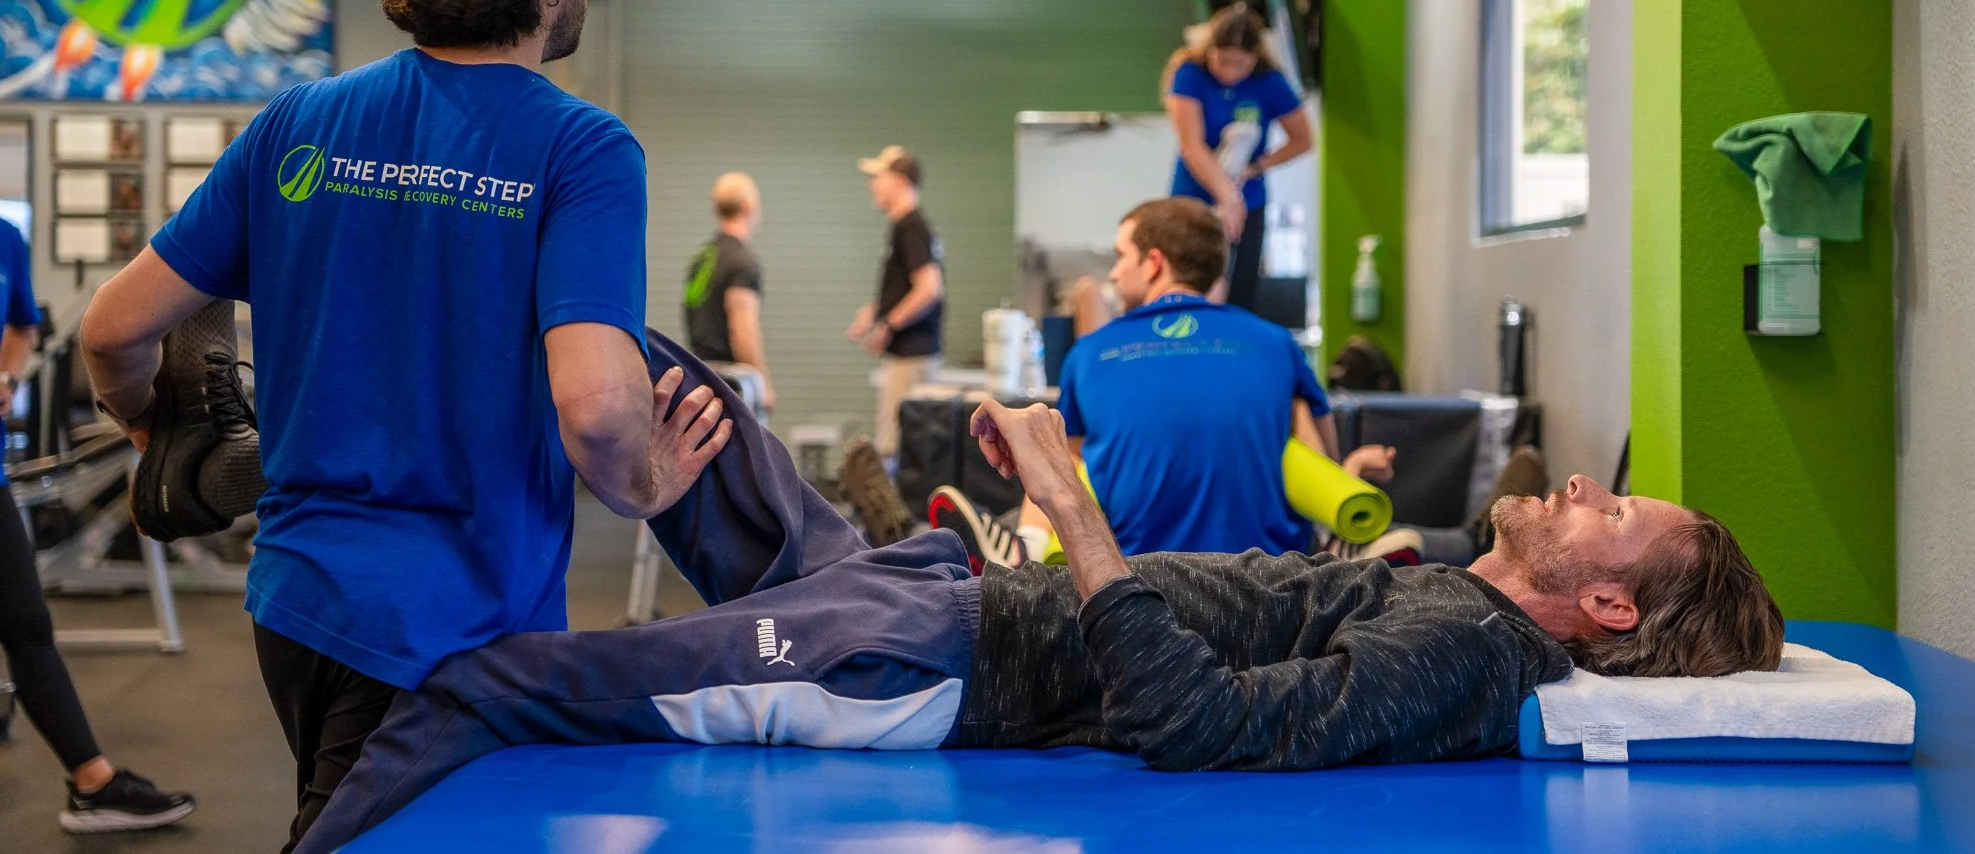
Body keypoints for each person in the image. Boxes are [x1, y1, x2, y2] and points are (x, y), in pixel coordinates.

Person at [289, 340, 1785, 854]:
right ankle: (660, 477)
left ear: (1602, 610)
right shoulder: (1459, 591)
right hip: (946, 588)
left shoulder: (1471, 647)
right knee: (659, 372)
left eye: (1611, 512)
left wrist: (1072, 511)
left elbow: (1195, 723)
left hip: (927, 653)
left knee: (480, 686)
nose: (1584, 485)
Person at [78, 0, 731, 851]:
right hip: (452, 632)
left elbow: (113, 329)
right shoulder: (581, 148)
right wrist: (642, 484)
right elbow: (600, 407)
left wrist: (149, 429)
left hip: (292, 604)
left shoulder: (299, 122)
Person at [998, 197, 1335, 562]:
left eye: (1121, 256)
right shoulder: (1276, 343)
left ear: (1154, 263)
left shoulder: (1091, 352)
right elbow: (1327, 465)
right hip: (1270, 575)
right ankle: (1345, 547)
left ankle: (1020, 553)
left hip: (1134, 579)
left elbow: (1065, 472)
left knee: (1058, 457)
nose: (1113, 273)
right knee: (1295, 413)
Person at [0, 217, 196, 834]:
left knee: (26, 623)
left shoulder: (7, 237)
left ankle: (94, 783)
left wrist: (7, 377)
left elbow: (22, 325)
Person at [1164, 4, 1315, 312]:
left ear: (1255, 58)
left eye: (1240, 64)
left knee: (1238, 289)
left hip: (1249, 201)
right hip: (1194, 197)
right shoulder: (1190, 74)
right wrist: (1227, 197)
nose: (1230, 71)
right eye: (1223, 61)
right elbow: (1192, 145)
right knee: (1191, 284)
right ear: (1210, 51)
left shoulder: (1269, 82)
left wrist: (1257, 167)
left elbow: (1303, 139)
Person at [845, 145, 944, 458]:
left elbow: (929, 288)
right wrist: (875, 311)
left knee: (896, 450)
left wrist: (888, 324)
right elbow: (907, 287)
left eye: (879, 177)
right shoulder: (905, 227)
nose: (871, 184)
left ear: (901, 181)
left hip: (911, 358)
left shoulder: (910, 226)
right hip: (906, 357)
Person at [684, 172, 775, 412]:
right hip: (732, 385)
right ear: (748, 206)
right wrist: (763, 382)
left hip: (701, 375)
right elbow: (742, 327)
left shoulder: (703, 258)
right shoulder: (742, 260)